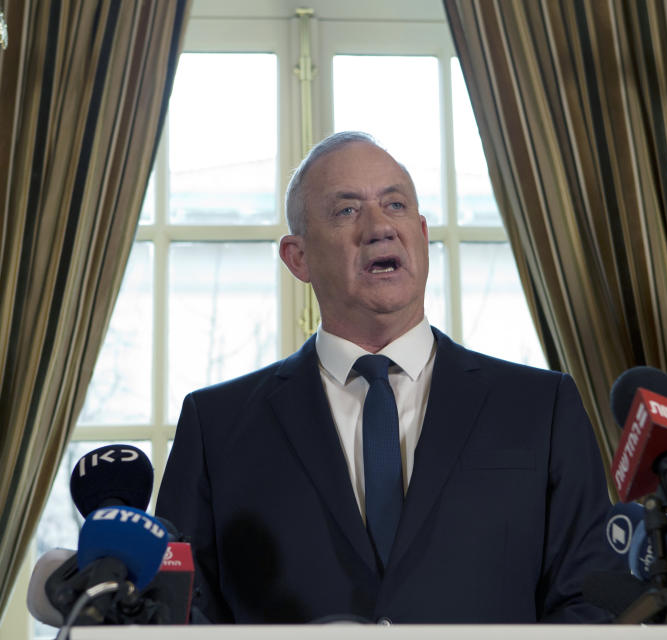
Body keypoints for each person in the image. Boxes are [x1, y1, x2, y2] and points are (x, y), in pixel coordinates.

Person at [156, 131, 621, 624]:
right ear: (299, 257)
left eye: (395, 205)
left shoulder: (541, 408)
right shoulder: (217, 426)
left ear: (421, 233)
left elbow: (587, 602)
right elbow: (183, 616)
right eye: (347, 210)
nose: (380, 227)